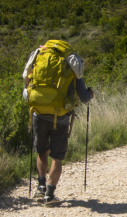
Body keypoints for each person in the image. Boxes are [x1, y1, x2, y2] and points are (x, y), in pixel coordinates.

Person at [23, 40, 94, 204]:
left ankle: (40, 187)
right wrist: (90, 94)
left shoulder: (39, 56)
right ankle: (49, 194)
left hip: (38, 113)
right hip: (60, 117)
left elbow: (26, 83)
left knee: (42, 152)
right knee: (57, 158)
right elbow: (83, 98)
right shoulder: (71, 62)